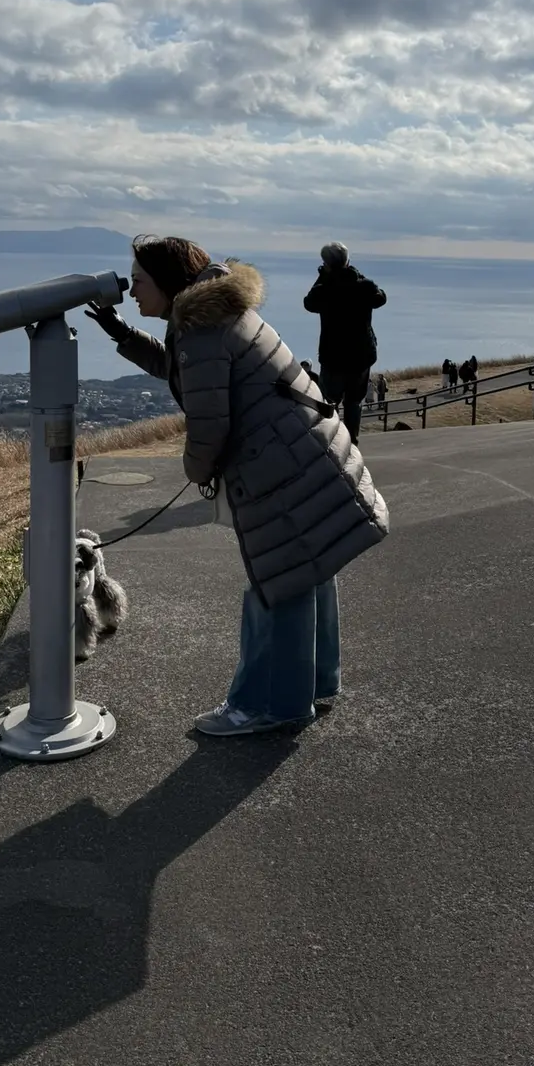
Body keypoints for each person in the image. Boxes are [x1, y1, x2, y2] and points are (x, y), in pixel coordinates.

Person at [86, 235, 388, 736]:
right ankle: (314, 683)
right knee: (308, 570)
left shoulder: (202, 328)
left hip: (279, 467)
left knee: (277, 582)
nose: (132, 291)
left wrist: (195, 470)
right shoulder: (214, 312)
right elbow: (181, 368)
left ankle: (267, 704)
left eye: (139, 281)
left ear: (167, 282)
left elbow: (209, 426)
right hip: (305, 452)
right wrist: (124, 333)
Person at [303, 243, 387, 438]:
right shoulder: (363, 287)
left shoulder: (325, 289)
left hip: (333, 356)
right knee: (354, 402)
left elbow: (309, 302)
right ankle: (352, 442)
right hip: (361, 355)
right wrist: (355, 273)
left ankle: (328, 441)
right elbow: (380, 297)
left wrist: (323, 276)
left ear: (327, 264)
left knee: (328, 402)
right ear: (348, 262)